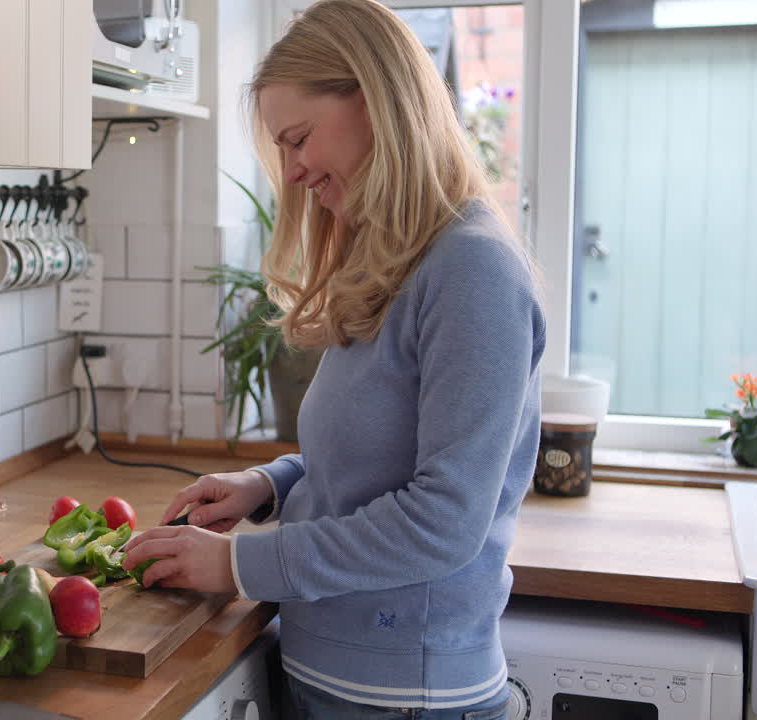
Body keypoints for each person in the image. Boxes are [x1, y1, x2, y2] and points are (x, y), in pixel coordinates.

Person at [120, 1, 545, 718]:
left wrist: (236, 563)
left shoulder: (473, 271)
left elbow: (441, 520)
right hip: (342, 681)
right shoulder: (395, 260)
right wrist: (269, 484)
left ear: (374, 100)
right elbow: (374, 464)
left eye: (297, 139)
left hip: (410, 697)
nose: (290, 172)